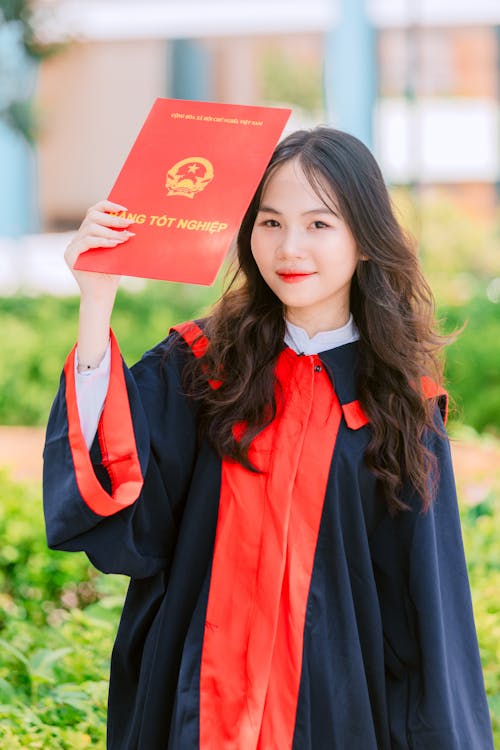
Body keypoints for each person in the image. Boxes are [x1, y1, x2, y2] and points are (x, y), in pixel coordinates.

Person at [43, 127, 494, 750]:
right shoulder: (202, 367)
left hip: (335, 712)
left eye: (319, 224)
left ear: (365, 240)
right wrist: (97, 301)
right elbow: (121, 498)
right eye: (270, 222)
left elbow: (428, 614)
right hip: (195, 702)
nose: (289, 248)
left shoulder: (400, 404)